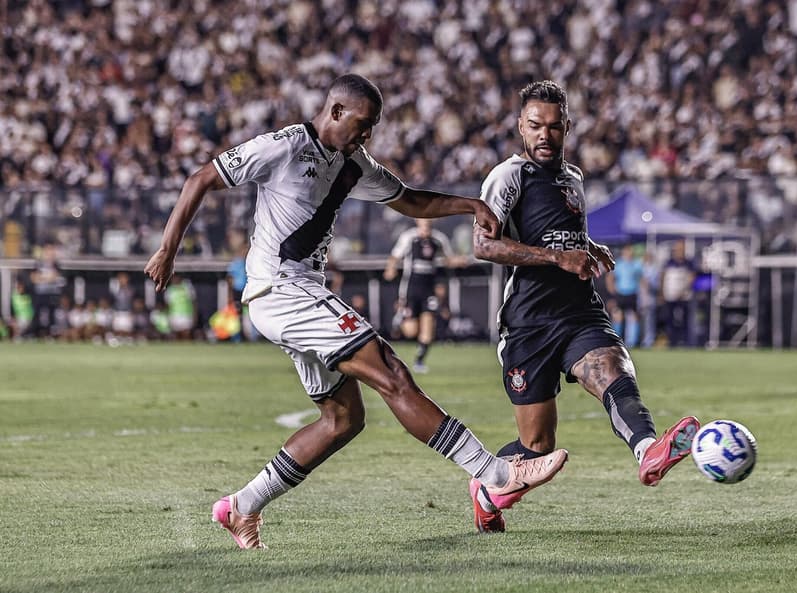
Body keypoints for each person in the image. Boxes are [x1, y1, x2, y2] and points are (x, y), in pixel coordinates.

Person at [144, 74, 568, 549]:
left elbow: (409, 199)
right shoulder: (284, 146)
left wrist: (469, 204)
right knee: (391, 372)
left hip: (295, 295)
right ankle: (494, 473)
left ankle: (241, 506)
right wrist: (167, 251)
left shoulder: (354, 163)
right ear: (336, 111)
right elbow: (201, 178)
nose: (367, 136)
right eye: (362, 125)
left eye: (374, 129)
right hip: (282, 290)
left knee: (342, 419)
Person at [471, 80, 699, 534]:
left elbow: (556, 232)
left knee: (613, 369)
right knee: (537, 447)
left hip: (578, 310)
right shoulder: (508, 175)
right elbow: (483, 245)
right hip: (529, 323)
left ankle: (649, 450)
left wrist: (587, 246)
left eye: (554, 127)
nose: (544, 135)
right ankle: (487, 488)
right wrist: (558, 257)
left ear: (567, 128)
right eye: (535, 126)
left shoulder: (572, 178)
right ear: (520, 126)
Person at [383, 219, 465, 372]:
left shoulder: (439, 238)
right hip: (411, 289)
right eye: (423, 219)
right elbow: (395, 256)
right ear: (417, 221)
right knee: (411, 331)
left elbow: (448, 259)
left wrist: (459, 261)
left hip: (429, 290)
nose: (426, 222)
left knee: (428, 326)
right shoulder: (409, 237)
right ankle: (399, 319)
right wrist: (391, 269)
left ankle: (419, 361)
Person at [659, 240, 697, 347]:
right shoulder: (668, 262)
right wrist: (661, 293)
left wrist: (683, 291)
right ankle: (672, 342)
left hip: (684, 297)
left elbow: (692, 277)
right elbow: (663, 278)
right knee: (670, 320)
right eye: (678, 249)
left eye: (681, 249)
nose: (679, 251)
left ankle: (688, 343)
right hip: (670, 297)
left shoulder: (689, 263)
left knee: (686, 321)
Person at [605, 244, 644, 347]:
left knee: (634, 317)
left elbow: (641, 279)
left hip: (632, 294)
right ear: (624, 253)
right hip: (621, 294)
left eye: (631, 251)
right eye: (627, 251)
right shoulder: (619, 264)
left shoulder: (637, 264)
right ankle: (617, 341)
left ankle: (633, 342)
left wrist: (643, 293)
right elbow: (610, 278)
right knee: (618, 317)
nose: (629, 253)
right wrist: (613, 293)